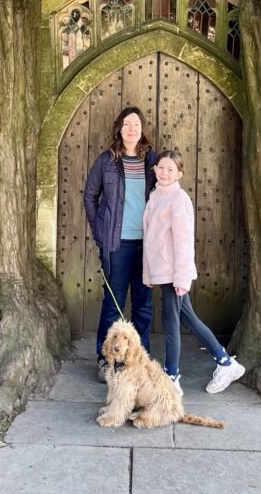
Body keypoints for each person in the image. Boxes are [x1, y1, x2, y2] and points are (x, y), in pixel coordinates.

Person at [142, 150, 245, 394]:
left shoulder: (179, 200)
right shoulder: (156, 195)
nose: (165, 172)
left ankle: (172, 377)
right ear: (155, 169)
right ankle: (225, 362)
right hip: (163, 273)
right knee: (188, 318)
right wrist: (148, 274)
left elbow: (183, 242)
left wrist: (182, 278)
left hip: (174, 274)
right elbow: (150, 239)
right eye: (161, 167)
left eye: (171, 169)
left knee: (171, 324)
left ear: (180, 174)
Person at [83, 106, 159, 381]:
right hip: (117, 245)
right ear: (119, 128)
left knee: (143, 304)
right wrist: (100, 232)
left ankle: (141, 360)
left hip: (146, 245)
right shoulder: (107, 161)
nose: (131, 129)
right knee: (113, 305)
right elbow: (90, 196)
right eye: (127, 124)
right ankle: (106, 361)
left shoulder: (152, 160)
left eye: (136, 124)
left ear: (142, 130)